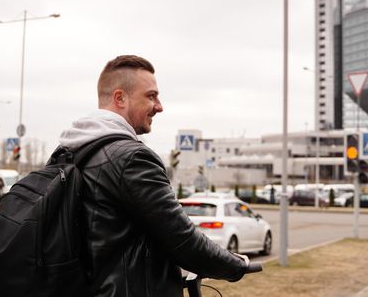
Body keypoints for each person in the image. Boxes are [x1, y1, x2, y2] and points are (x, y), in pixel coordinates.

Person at [59, 55, 248, 297]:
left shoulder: (69, 151)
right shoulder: (132, 159)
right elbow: (183, 240)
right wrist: (235, 265)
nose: (159, 106)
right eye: (151, 96)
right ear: (120, 98)